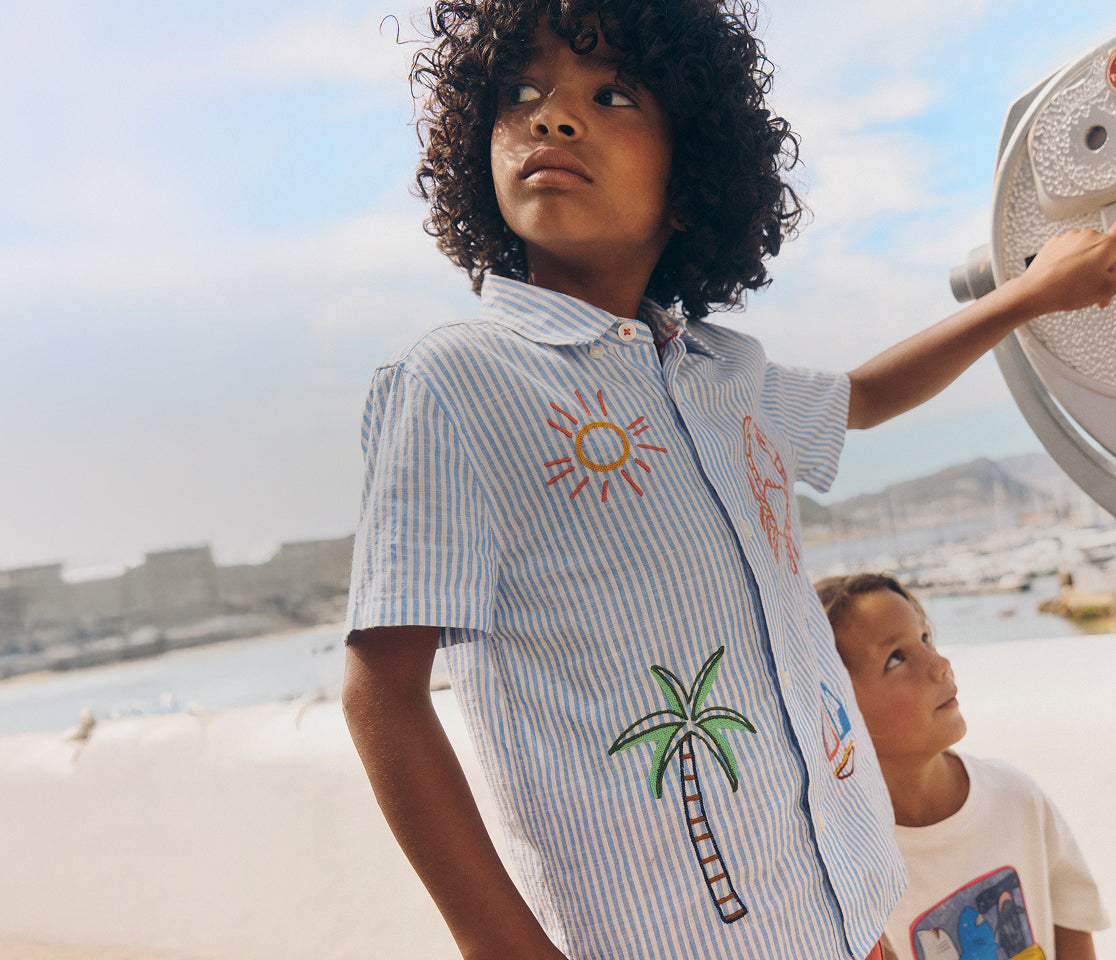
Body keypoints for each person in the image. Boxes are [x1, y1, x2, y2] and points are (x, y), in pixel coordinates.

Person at [340, 2, 1116, 958]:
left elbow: (867, 394)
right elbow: (383, 692)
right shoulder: (455, 384)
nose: (553, 115)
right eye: (521, 90)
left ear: (689, 184)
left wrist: (1029, 295)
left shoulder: (725, 372)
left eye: (611, 94)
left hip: (844, 921)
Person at [816, 573, 1110, 960]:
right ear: (836, 709)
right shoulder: (853, 864)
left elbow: (1073, 923)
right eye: (896, 658)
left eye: (926, 638)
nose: (940, 664)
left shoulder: (1016, 797)